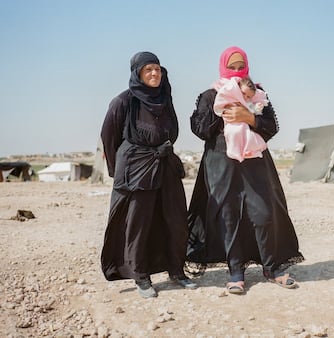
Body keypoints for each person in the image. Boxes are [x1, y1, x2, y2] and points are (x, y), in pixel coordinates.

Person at [187, 46, 304, 294]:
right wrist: (227, 112)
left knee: (264, 213)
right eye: (233, 66)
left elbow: (271, 127)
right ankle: (235, 271)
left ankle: (271, 267)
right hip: (221, 163)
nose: (238, 71)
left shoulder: (257, 93)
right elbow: (201, 130)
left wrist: (248, 117)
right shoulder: (210, 95)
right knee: (228, 216)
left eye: (241, 66)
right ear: (223, 67)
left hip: (255, 163)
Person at [100, 51, 197, 298]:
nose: (155, 74)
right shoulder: (123, 101)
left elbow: (171, 131)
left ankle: (176, 270)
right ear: (138, 74)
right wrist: (119, 170)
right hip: (136, 169)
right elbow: (109, 138)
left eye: (158, 69)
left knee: (174, 220)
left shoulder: (166, 99)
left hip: (164, 164)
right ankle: (140, 275)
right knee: (138, 223)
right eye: (148, 70)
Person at [213, 75, 268, 162]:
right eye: (243, 93)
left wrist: (257, 108)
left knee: (249, 136)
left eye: (249, 97)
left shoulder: (248, 102)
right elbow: (220, 104)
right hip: (231, 124)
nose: (245, 97)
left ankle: (248, 151)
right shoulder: (230, 96)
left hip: (244, 125)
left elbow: (252, 111)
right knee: (233, 133)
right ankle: (234, 152)